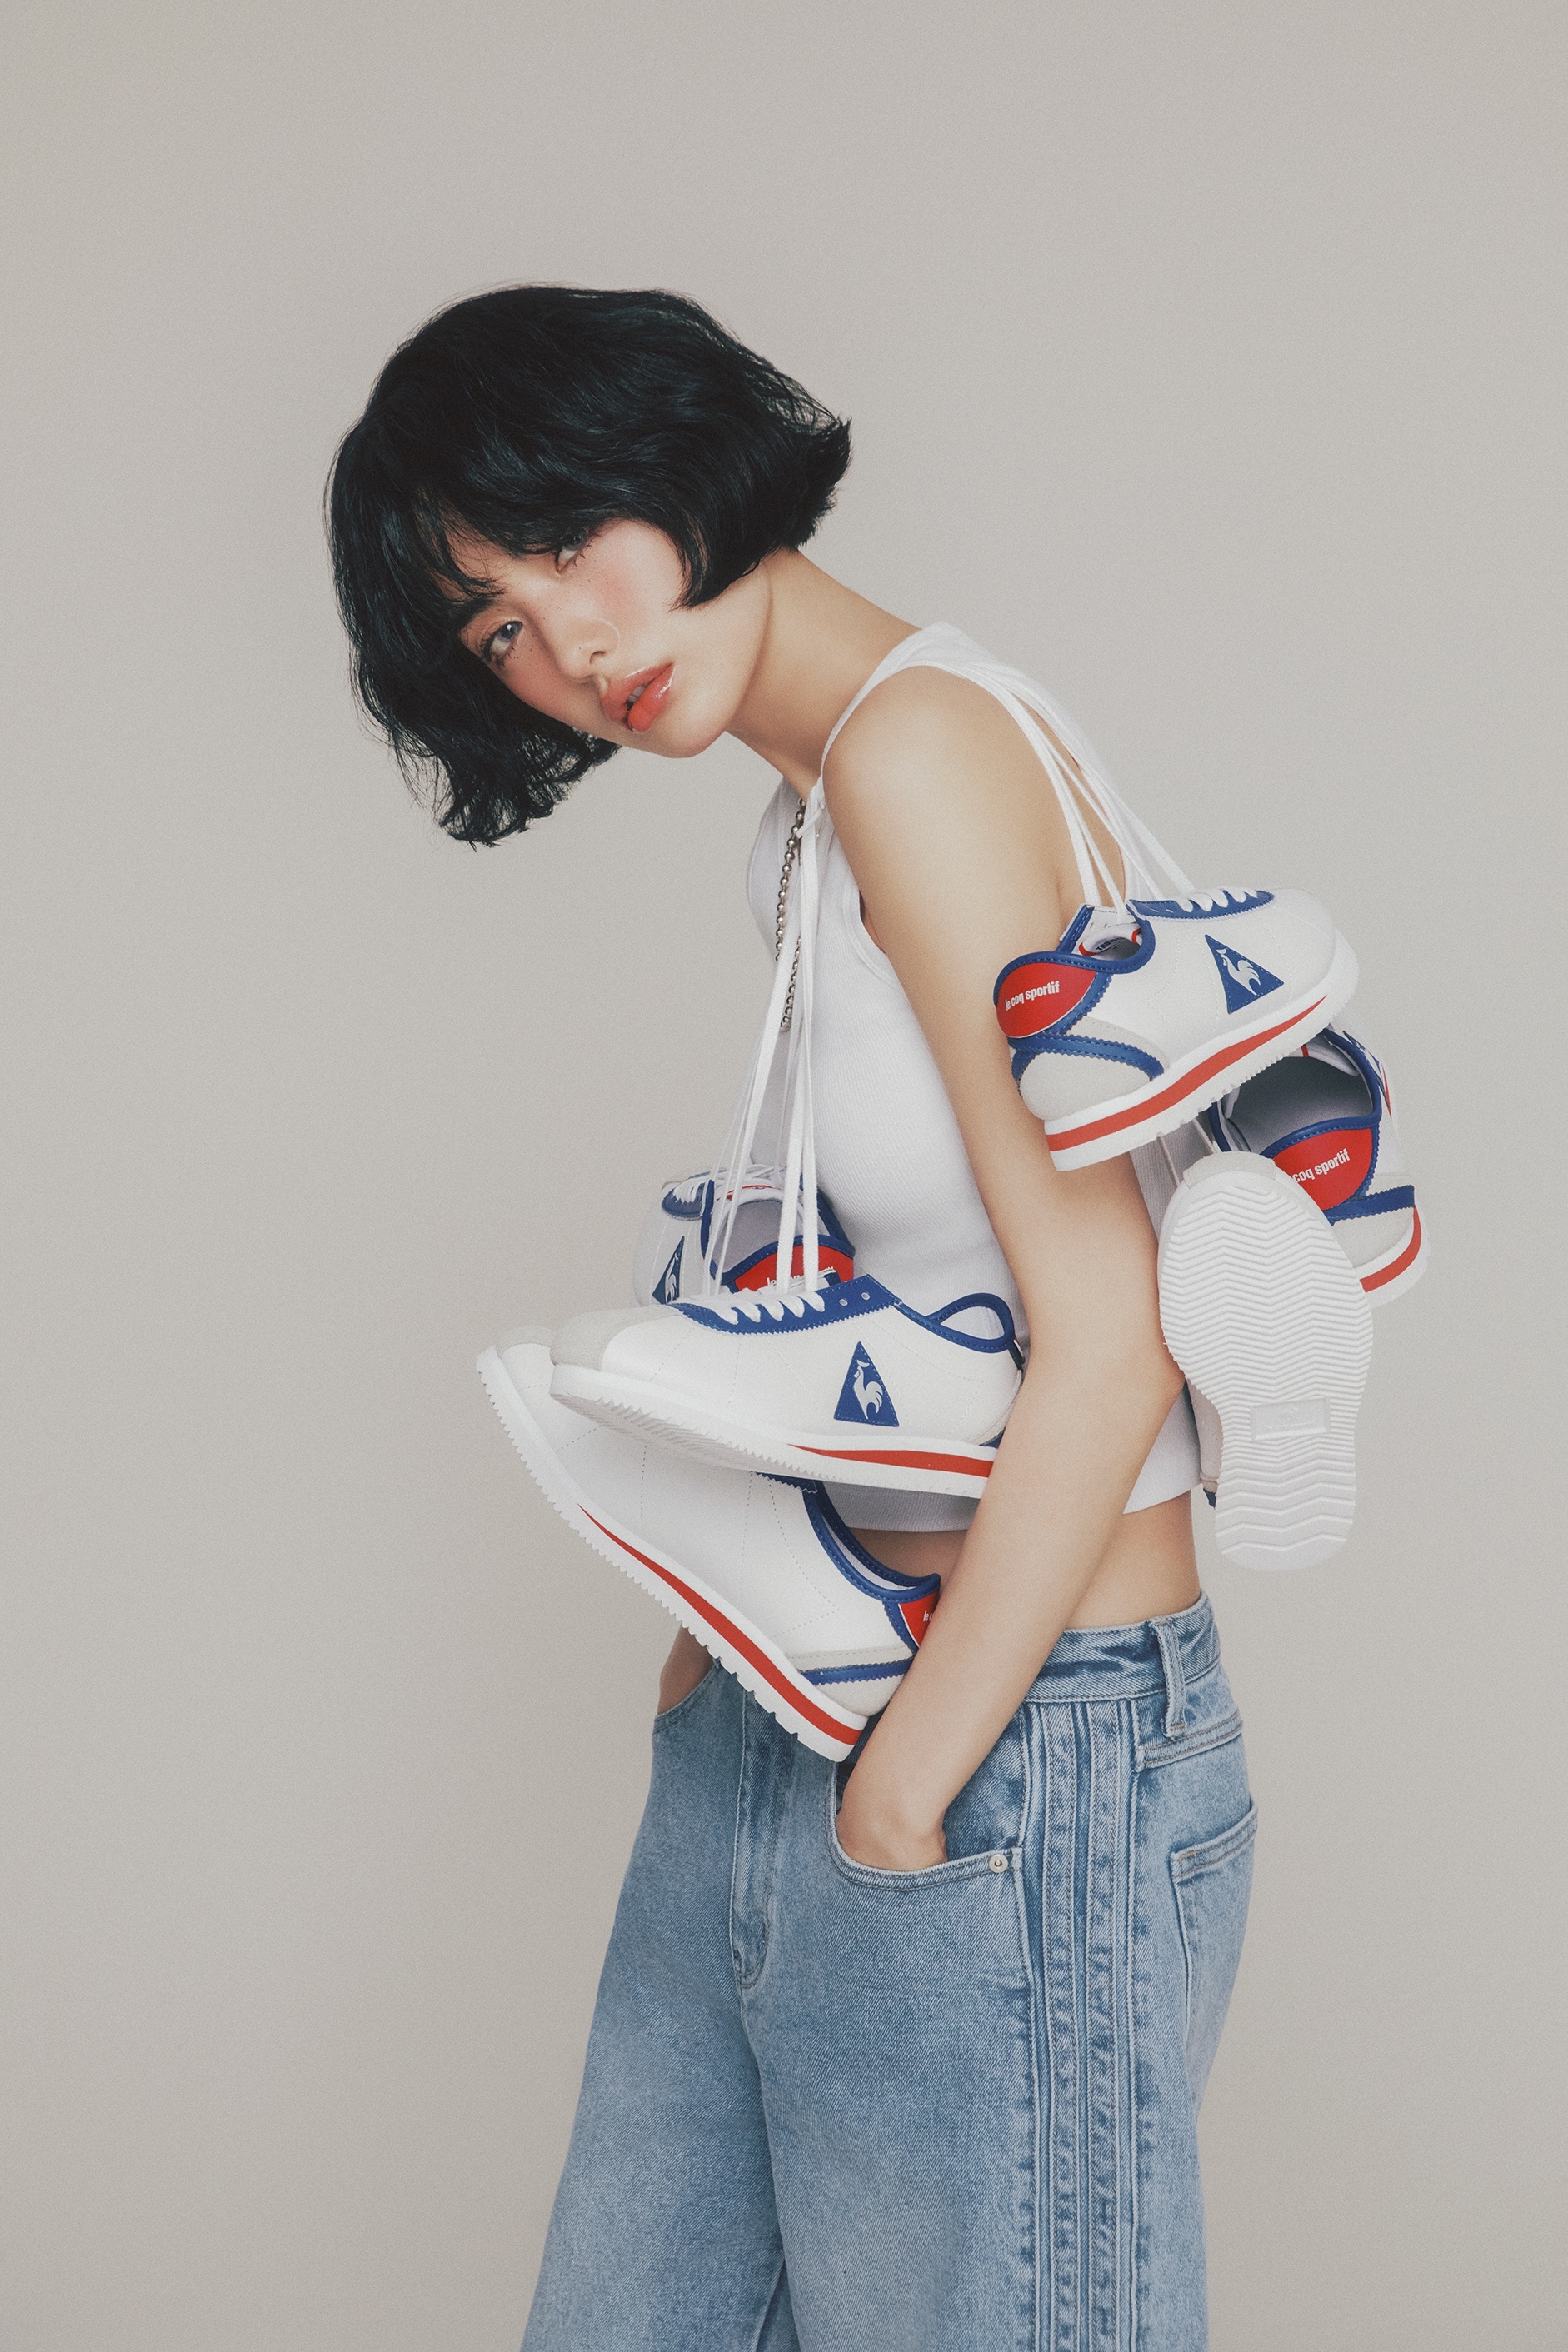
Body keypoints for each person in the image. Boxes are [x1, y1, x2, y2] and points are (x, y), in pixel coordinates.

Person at [329, 286, 1257, 2352]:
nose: (570, 643)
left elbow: (1109, 1327)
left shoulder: (925, 751)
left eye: (563, 541)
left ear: (668, 456)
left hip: (1003, 1742)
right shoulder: (811, 817)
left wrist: (903, 1789)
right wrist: (716, 1682)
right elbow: (875, 1308)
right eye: (494, 626)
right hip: (792, 1705)